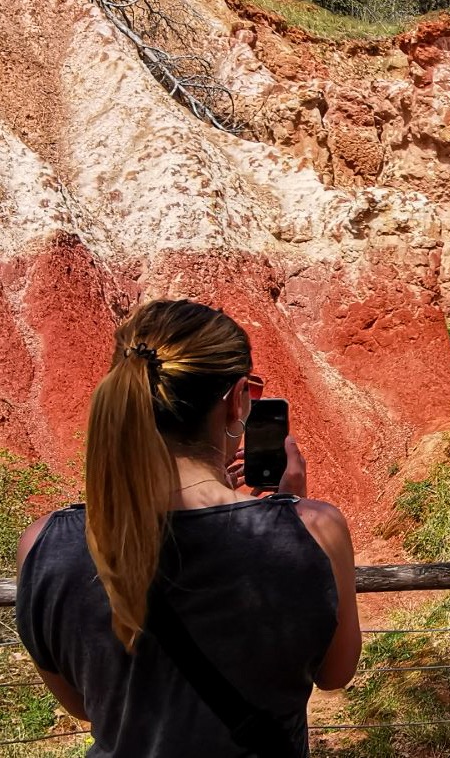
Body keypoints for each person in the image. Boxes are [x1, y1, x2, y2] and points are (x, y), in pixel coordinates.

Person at [16, 299, 361, 757]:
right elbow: (335, 674)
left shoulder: (43, 544)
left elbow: (83, 705)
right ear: (237, 400)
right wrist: (289, 510)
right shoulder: (316, 530)